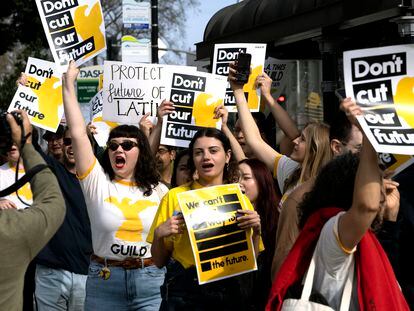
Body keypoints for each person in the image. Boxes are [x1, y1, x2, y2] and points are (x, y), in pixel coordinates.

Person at [62, 61, 169, 311]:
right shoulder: (96, 182)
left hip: (150, 283)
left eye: (128, 145)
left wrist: (161, 122)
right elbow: (78, 133)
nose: (119, 149)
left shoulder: (160, 190)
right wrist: (68, 85)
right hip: (105, 281)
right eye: (113, 146)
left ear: (141, 152)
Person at [266, 135, 409, 310]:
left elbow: (385, 282)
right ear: (353, 193)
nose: (381, 192)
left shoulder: (361, 238)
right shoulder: (331, 232)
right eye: (374, 185)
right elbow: (366, 207)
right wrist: (371, 137)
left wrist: (390, 220)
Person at [147, 128, 263, 310]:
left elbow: (250, 259)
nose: (206, 157)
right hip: (184, 294)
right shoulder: (174, 197)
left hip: (230, 293)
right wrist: (159, 234)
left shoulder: (239, 198)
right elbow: (159, 260)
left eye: (213, 150)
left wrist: (256, 232)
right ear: (193, 159)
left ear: (227, 156)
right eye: (199, 153)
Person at [0, 110, 65, 310]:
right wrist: (25, 143)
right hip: (18, 238)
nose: (12, 145)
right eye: (6, 141)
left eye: (14, 141)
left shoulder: (46, 167)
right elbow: (53, 200)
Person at [34, 127, 93, 311]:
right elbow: (30, 147)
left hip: (88, 276)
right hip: (51, 274)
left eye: (77, 141)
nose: (71, 146)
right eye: (67, 141)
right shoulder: (51, 172)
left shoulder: (103, 182)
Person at [238, 158, 279, 310]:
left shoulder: (277, 219)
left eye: (246, 177)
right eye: (235, 177)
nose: (239, 182)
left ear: (262, 181)